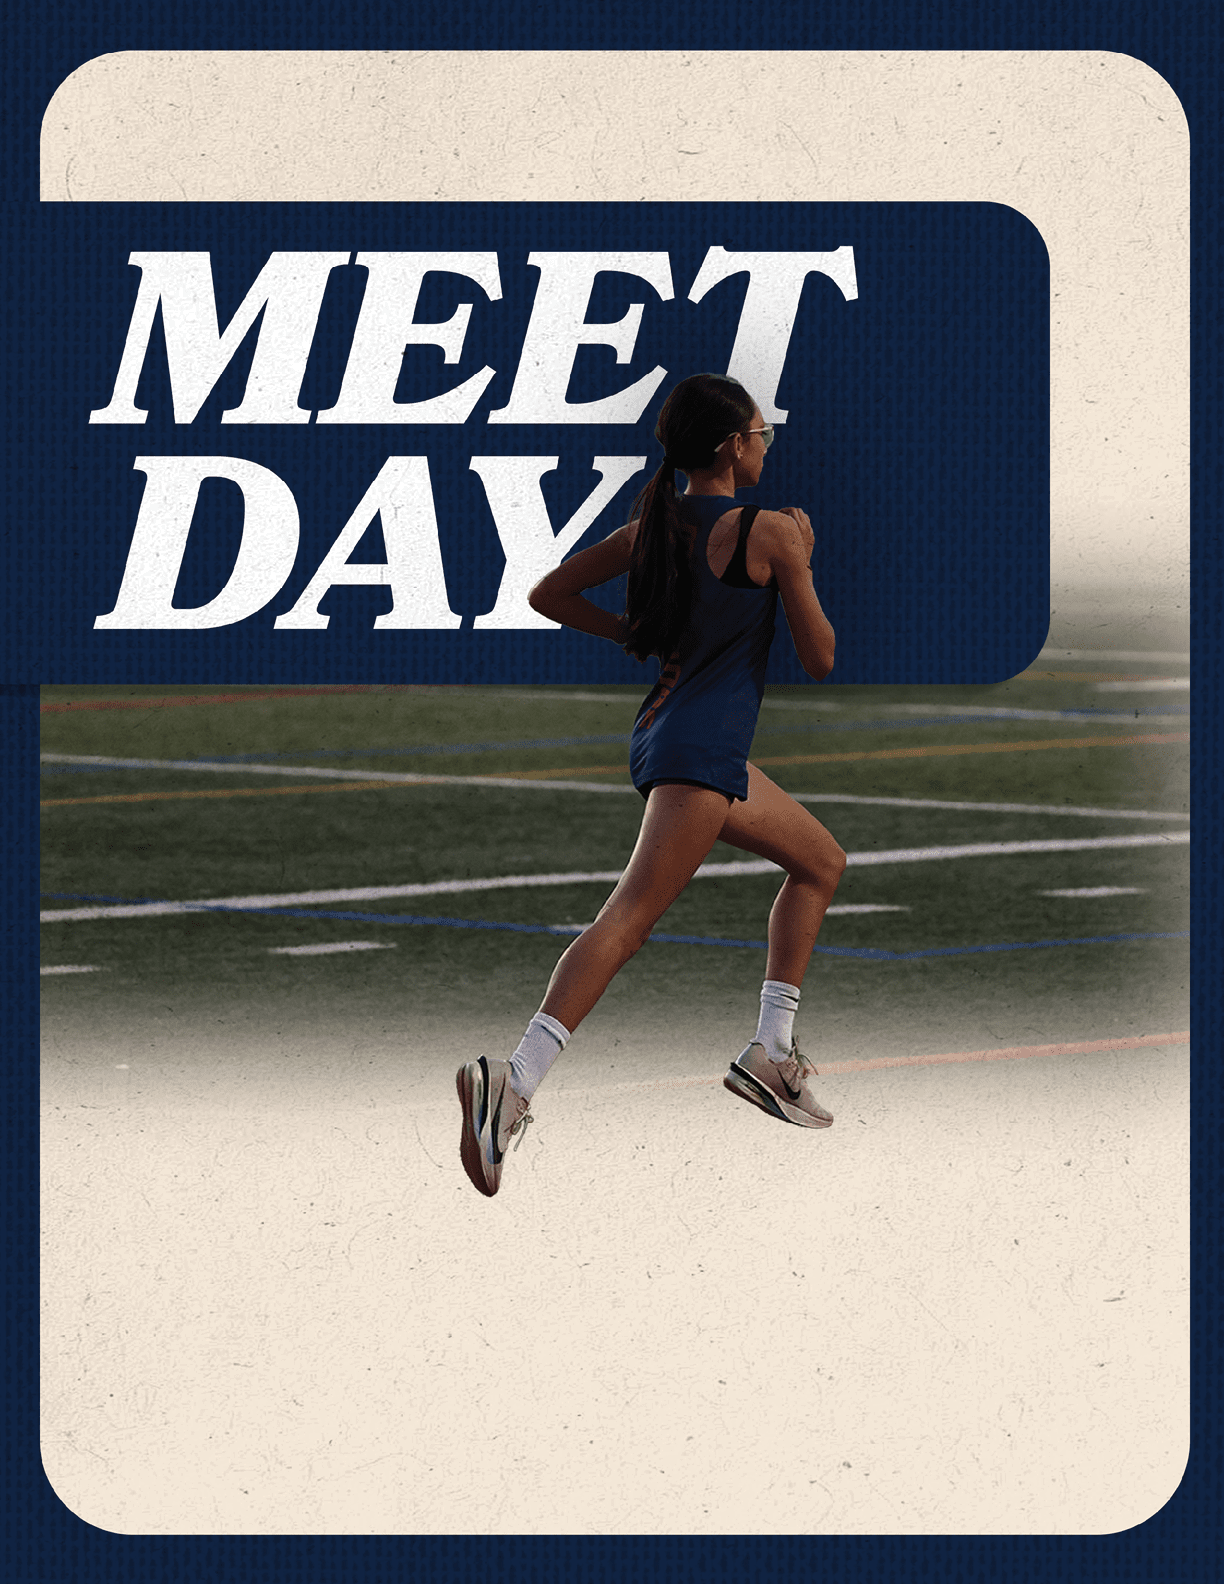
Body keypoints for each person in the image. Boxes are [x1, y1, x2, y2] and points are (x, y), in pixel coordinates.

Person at [456, 373, 847, 1197]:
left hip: (675, 740)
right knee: (628, 919)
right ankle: (513, 1079)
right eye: (761, 430)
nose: (768, 441)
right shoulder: (771, 532)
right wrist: (803, 563)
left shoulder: (654, 528)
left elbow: (548, 593)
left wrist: (631, 630)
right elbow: (821, 657)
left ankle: (770, 1055)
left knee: (819, 862)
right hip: (700, 757)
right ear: (731, 446)